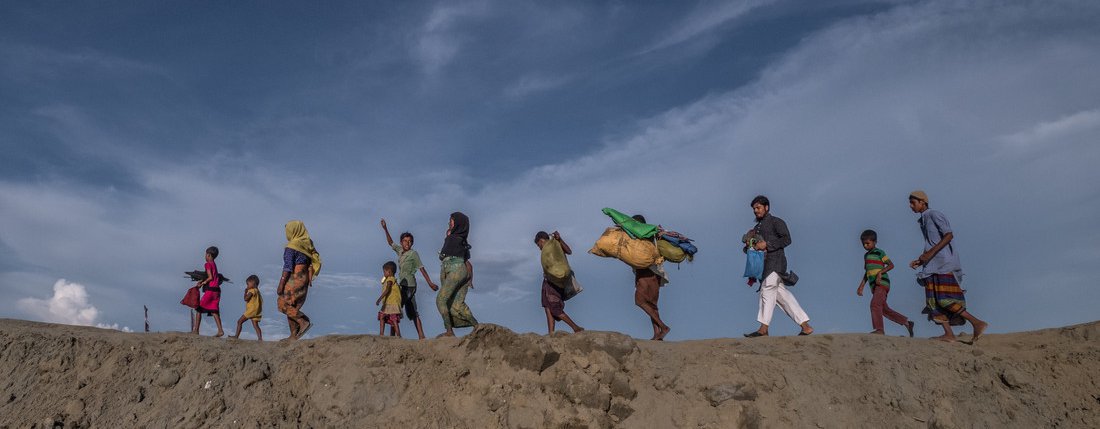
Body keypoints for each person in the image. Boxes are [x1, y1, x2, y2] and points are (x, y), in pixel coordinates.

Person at [907, 190, 988, 342]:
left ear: (922, 202)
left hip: (943, 263)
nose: (911, 206)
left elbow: (948, 235)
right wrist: (922, 259)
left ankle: (977, 322)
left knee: (944, 298)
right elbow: (931, 243)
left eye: (913, 202)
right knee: (933, 301)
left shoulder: (934, 214)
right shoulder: (923, 220)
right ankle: (949, 334)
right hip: (931, 265)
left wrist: (929, 254)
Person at [743, 196, 813, 337]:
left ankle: (763, 329)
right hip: (764, 265)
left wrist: (767, 244)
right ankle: (805, 326)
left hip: (776, 262)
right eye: (754, 209)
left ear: (766, 207)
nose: (756, 211)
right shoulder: (757, 228)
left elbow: (787, 239)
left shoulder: (776, 222)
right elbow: (752, 248)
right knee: (782, 296)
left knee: (767, 289)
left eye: (758, 208)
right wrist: (749, 245)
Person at [380, 219, 439, 339]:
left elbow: (422, 268)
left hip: (410, 286)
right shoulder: (400, 251)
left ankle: (396, 336)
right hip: (402, 285)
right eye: (405, 241)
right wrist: (385, 228)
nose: (408, 243)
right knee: (411, 311)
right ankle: (420, 336)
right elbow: (390, 242)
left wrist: (430, 283)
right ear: (401, 242)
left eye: (410, 241)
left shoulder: (413, 254)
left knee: (394, 308)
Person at [857, 230, 914, 337]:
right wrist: (861, 286)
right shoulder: (866, 256)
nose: (865, 246)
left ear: (875, 242)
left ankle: (879, 330)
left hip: (882, 283)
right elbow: (867, 272)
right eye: (863, 244)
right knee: (883, 309)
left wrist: (880, 273)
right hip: (874, 286)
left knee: (875, 305)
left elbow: (891, 265)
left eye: (867, 243)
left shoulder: (880, 252)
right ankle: (906, 323)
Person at [277, 220, 322, 341]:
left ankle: (303, 321)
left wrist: (281, 283)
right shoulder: (307, 245)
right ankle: (293, 335)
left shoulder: (292, 247)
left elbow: (287, 267)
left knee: (282, 304)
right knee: (292, 306)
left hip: (295, 278)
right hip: (304, 279)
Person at [534, 231, 584, 335]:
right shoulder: (552, 246)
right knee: (546, 306)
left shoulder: (555, 245)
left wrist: (559, 239)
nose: (539, 248)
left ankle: (575, 327)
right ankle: (551, 333)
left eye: (538, 245)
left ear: (541, 240)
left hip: (554, 283)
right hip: (548, 282)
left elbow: (569, 251)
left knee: (554, 308)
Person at [436, 212, 478, 337]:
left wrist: (448, 236)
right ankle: (477, 326)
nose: (449, 223)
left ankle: (449, 331)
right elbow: (468, 264)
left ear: (458, 224)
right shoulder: (462, 241)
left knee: (441, 300)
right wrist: (469, 280)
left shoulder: (453, 238)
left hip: (454, 270)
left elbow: (443, 257)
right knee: (457, 305)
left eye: (452, 220)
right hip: (459, 271)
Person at [631, 214, 671, 341]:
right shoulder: (651, 233)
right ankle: (657, 333)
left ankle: (663, 327)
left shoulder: (644, 234)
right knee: (652, 305)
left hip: (647, 272)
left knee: (640, 301)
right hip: (655, 272)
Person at [193, 246, 225, 337]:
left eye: (206, 254)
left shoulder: (207, 264)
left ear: (209, 255)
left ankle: (196, 331)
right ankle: (220, 330)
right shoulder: (214, 264)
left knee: (198, 308)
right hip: (217, 290)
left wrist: (202, 283)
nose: (205, 256)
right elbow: (214, 277)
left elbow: (210, 277)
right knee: (214, 310)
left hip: (211, 290)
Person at [229, 274, 264, 341]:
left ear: (253, 283)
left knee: (239, 321)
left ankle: (236, 336)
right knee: (255, 325)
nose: (247, 286)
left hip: (251, 310)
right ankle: (260, 339)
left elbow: (246, 299)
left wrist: (245, 292)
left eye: (248, 284)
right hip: (257, 311)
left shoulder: (252, 291)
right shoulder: (257, 291)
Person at [376, 261, 403, 337]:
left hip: (391, 303)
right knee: (383, 316)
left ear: (389, 271)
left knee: (392, 319)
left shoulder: (390, 279)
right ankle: (382, 334)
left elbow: (387, 290)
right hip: (388, 302)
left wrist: (379, 298)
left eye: (384, 271)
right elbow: (383, 281)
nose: (383, 273)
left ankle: (398, 335)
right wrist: (385, 277)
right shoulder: (390, 278)